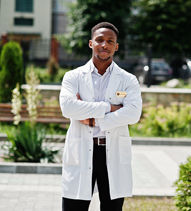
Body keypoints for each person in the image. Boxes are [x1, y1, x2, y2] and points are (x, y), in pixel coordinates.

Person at [59, 22, 142, 211]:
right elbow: (68, 108)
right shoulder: (73, 77)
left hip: (112, 151)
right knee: (74, 207)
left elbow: (133, 112)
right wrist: (110, 107)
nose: (104, 45)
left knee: (112, 207)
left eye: (110, 41)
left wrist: (93, 119)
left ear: (116, 46)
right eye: (100, 40)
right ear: (91, 43)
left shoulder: (128, 79)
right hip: (81, 149)